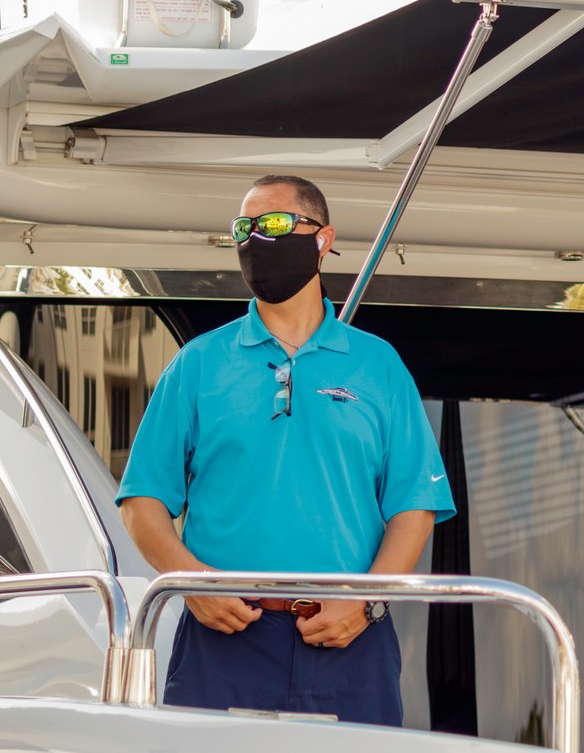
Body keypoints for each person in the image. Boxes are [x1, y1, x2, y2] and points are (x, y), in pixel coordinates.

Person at [116, 174, 455, 726]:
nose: (256, 239)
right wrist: (194, 586)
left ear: (322, 239)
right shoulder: (198, 363)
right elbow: (142, 502)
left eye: (274, 224)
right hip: (222, 639)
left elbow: (414, 508)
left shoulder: (379, 365)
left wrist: (365, 604)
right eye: (244, 228)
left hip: (351, 639)